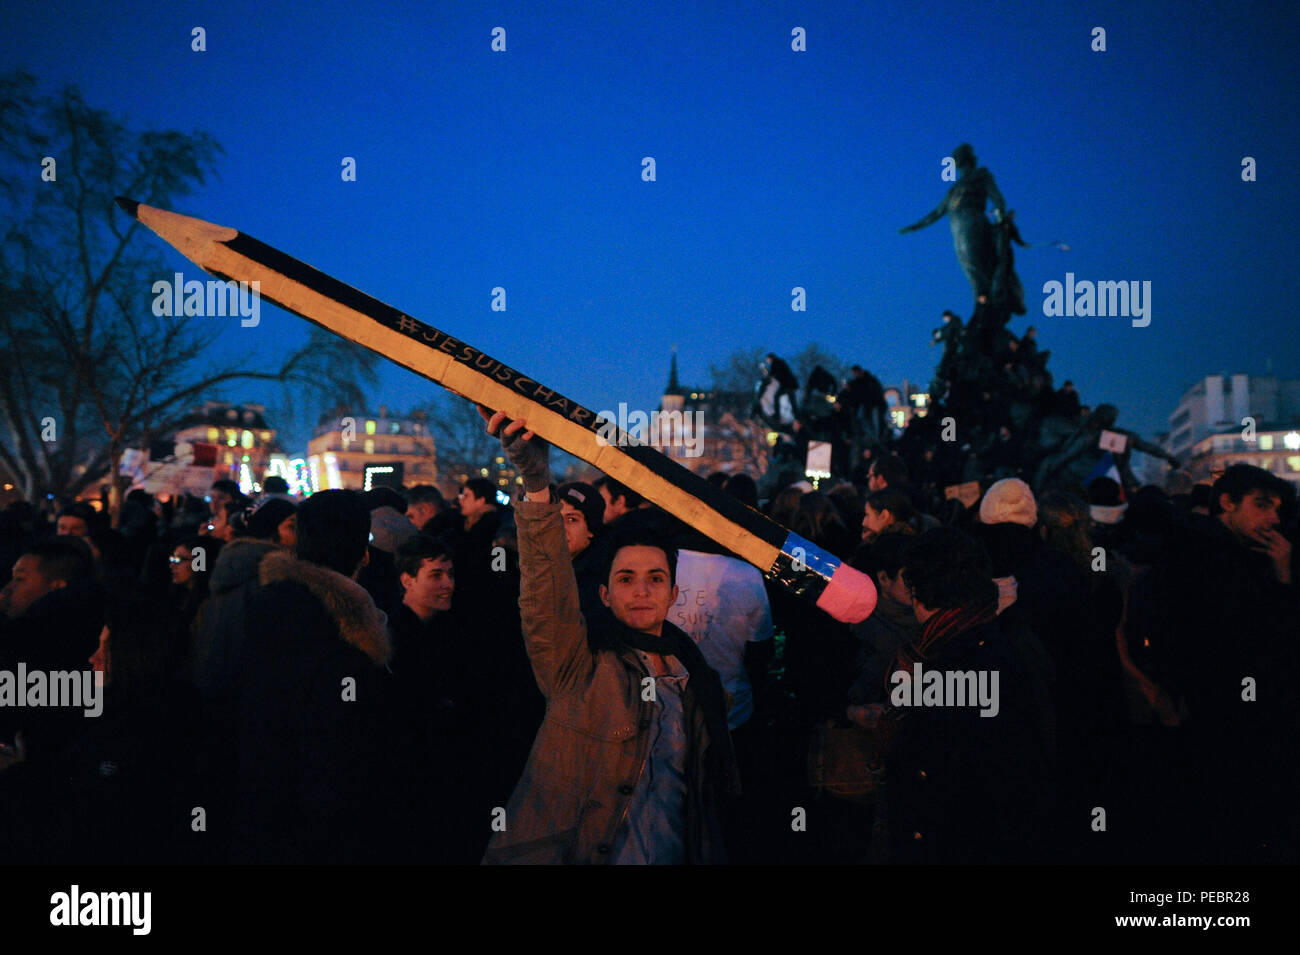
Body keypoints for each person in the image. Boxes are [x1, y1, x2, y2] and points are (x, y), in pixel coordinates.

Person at [479, 408, 738, 864]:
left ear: (674, 592)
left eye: (655, 578)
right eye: (626, 579)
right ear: (603, 592)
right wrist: (537, 482)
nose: (641, 591)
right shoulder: (578, 664)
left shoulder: (696, 677)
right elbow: (546, 594)